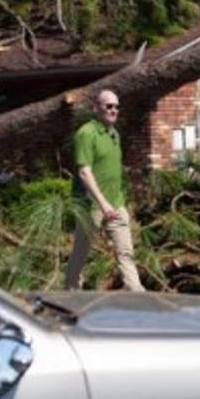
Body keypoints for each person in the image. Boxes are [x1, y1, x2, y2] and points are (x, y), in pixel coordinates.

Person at [64, 89, 145, 291]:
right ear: (96, 108)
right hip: (91, 205)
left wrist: (115, 202)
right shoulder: (87, 133)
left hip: (116, 203)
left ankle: (137, 294)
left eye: (116, 106)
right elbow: (84, 172)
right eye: (108, 106)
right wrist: (102, 203)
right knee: (81, 252)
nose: (113, 110)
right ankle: (70, 293)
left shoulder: (114, 134)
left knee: (125, 252)